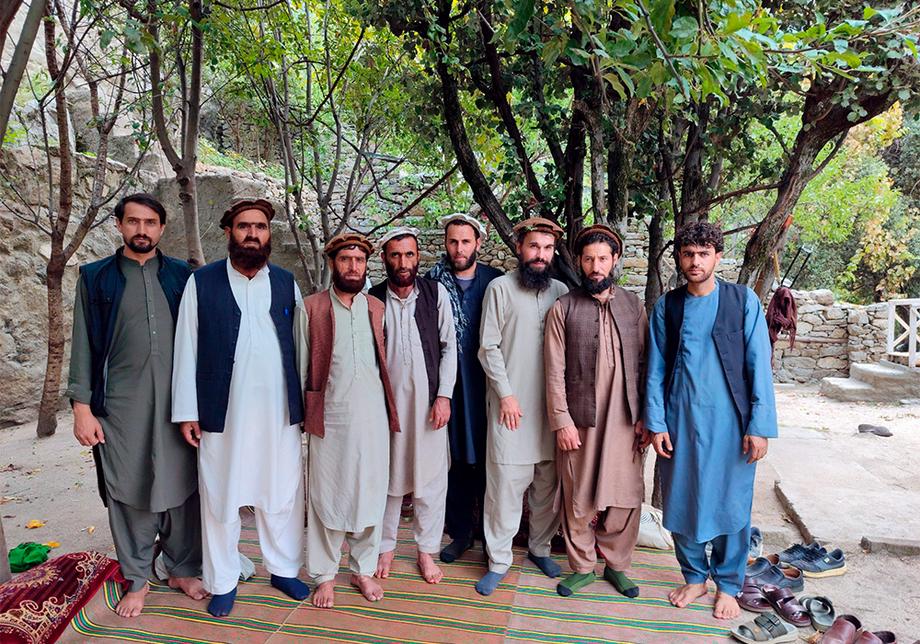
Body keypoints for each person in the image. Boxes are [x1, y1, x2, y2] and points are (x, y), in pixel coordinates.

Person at [67, 193, 203, 617]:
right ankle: (138, 579)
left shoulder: (183, 276)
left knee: (183, 486)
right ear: (119, 225)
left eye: (150, 223)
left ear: (162, 228)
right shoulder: (96, 278)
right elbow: (83, 344)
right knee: (128, 489)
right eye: (133, 221)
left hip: (179, 404)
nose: (141, 230)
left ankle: (182, 568)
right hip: (121, 406)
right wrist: (82, 407)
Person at [172, 198, 309, 617]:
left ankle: (283, 569)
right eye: (245, 226)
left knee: (281, 492)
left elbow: (300, 347)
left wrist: (304, 406)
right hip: (222, 413)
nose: (253, 234)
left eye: (260, 227)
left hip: (277, 412)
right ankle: (223, 581)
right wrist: (187, 411)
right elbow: (186, 347)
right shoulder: (202, 283)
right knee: (221, 495)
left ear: (269, 234)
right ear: (229, 232)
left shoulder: (285, 282)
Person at [645, 221, 777, 619]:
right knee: (681, 499)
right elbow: (655, 369)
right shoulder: (668, 307)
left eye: (704, 254)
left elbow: (759, 365)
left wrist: (759, 426)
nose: (695, 261)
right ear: (679, 258)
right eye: (688, 254)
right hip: (680, 421)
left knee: (730, 502)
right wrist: (656, 422)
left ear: (718, 257)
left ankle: (729, 585)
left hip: (731, 424)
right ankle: (694, 577)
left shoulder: (742, 301)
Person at [543, 224, 650, 598]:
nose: (595, 267)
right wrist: (562, 421)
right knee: (578, 494)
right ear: (579, 261)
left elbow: (647, 365)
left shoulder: (633, 306)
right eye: (588, 259)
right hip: (580, 420)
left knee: (625, 493)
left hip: (626, 419)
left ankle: (617, 565)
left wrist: (647, 417)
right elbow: (553, 370)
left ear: (615, 260)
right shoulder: (564, 307)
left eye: (603, 258)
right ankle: (583, 567)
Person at [299, 232, 400, 609]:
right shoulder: (311, 308)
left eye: (359, 260)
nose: (353, 267)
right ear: (332, 263)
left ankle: (363, 568)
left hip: (373, 417)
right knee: (326, 495)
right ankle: (324, 574)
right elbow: (301, 366)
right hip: (330, 417)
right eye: (345, 260)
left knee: (370, 492)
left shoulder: (376, 307)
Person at [476, 217, 569, 596]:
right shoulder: (500, 288)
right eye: (534, 247)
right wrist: (506, 394)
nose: (540, 255)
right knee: (504, 490)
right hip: (510, 410)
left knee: (547, 486)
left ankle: (540, 548)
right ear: (519, 248)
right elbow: (488, 347)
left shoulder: (561, 291)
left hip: (550, 411)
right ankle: (498, 560)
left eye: (547, 249)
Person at [369, 227, 458, 585]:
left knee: (431, 481)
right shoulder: (373, 299)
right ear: (384, 259)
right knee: (388, 479)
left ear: (418, 257)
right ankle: (385, 548)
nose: (403, 262)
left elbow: (450, 347)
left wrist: (444, 396)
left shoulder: (435, 294)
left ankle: (426, 551)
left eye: (409, 254)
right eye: (395, 255)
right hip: (387, 408)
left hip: (429, 407)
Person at [426, 213, 502, 563]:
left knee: (490, 461)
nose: (459, 248)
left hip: (487, 385)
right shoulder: (432, 283)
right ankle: (460, 534)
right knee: (455, 460)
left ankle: (491, 537)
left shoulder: (495, 282)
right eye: (453, 241)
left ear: (478, 243)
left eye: (465, 241)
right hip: (449, 387)